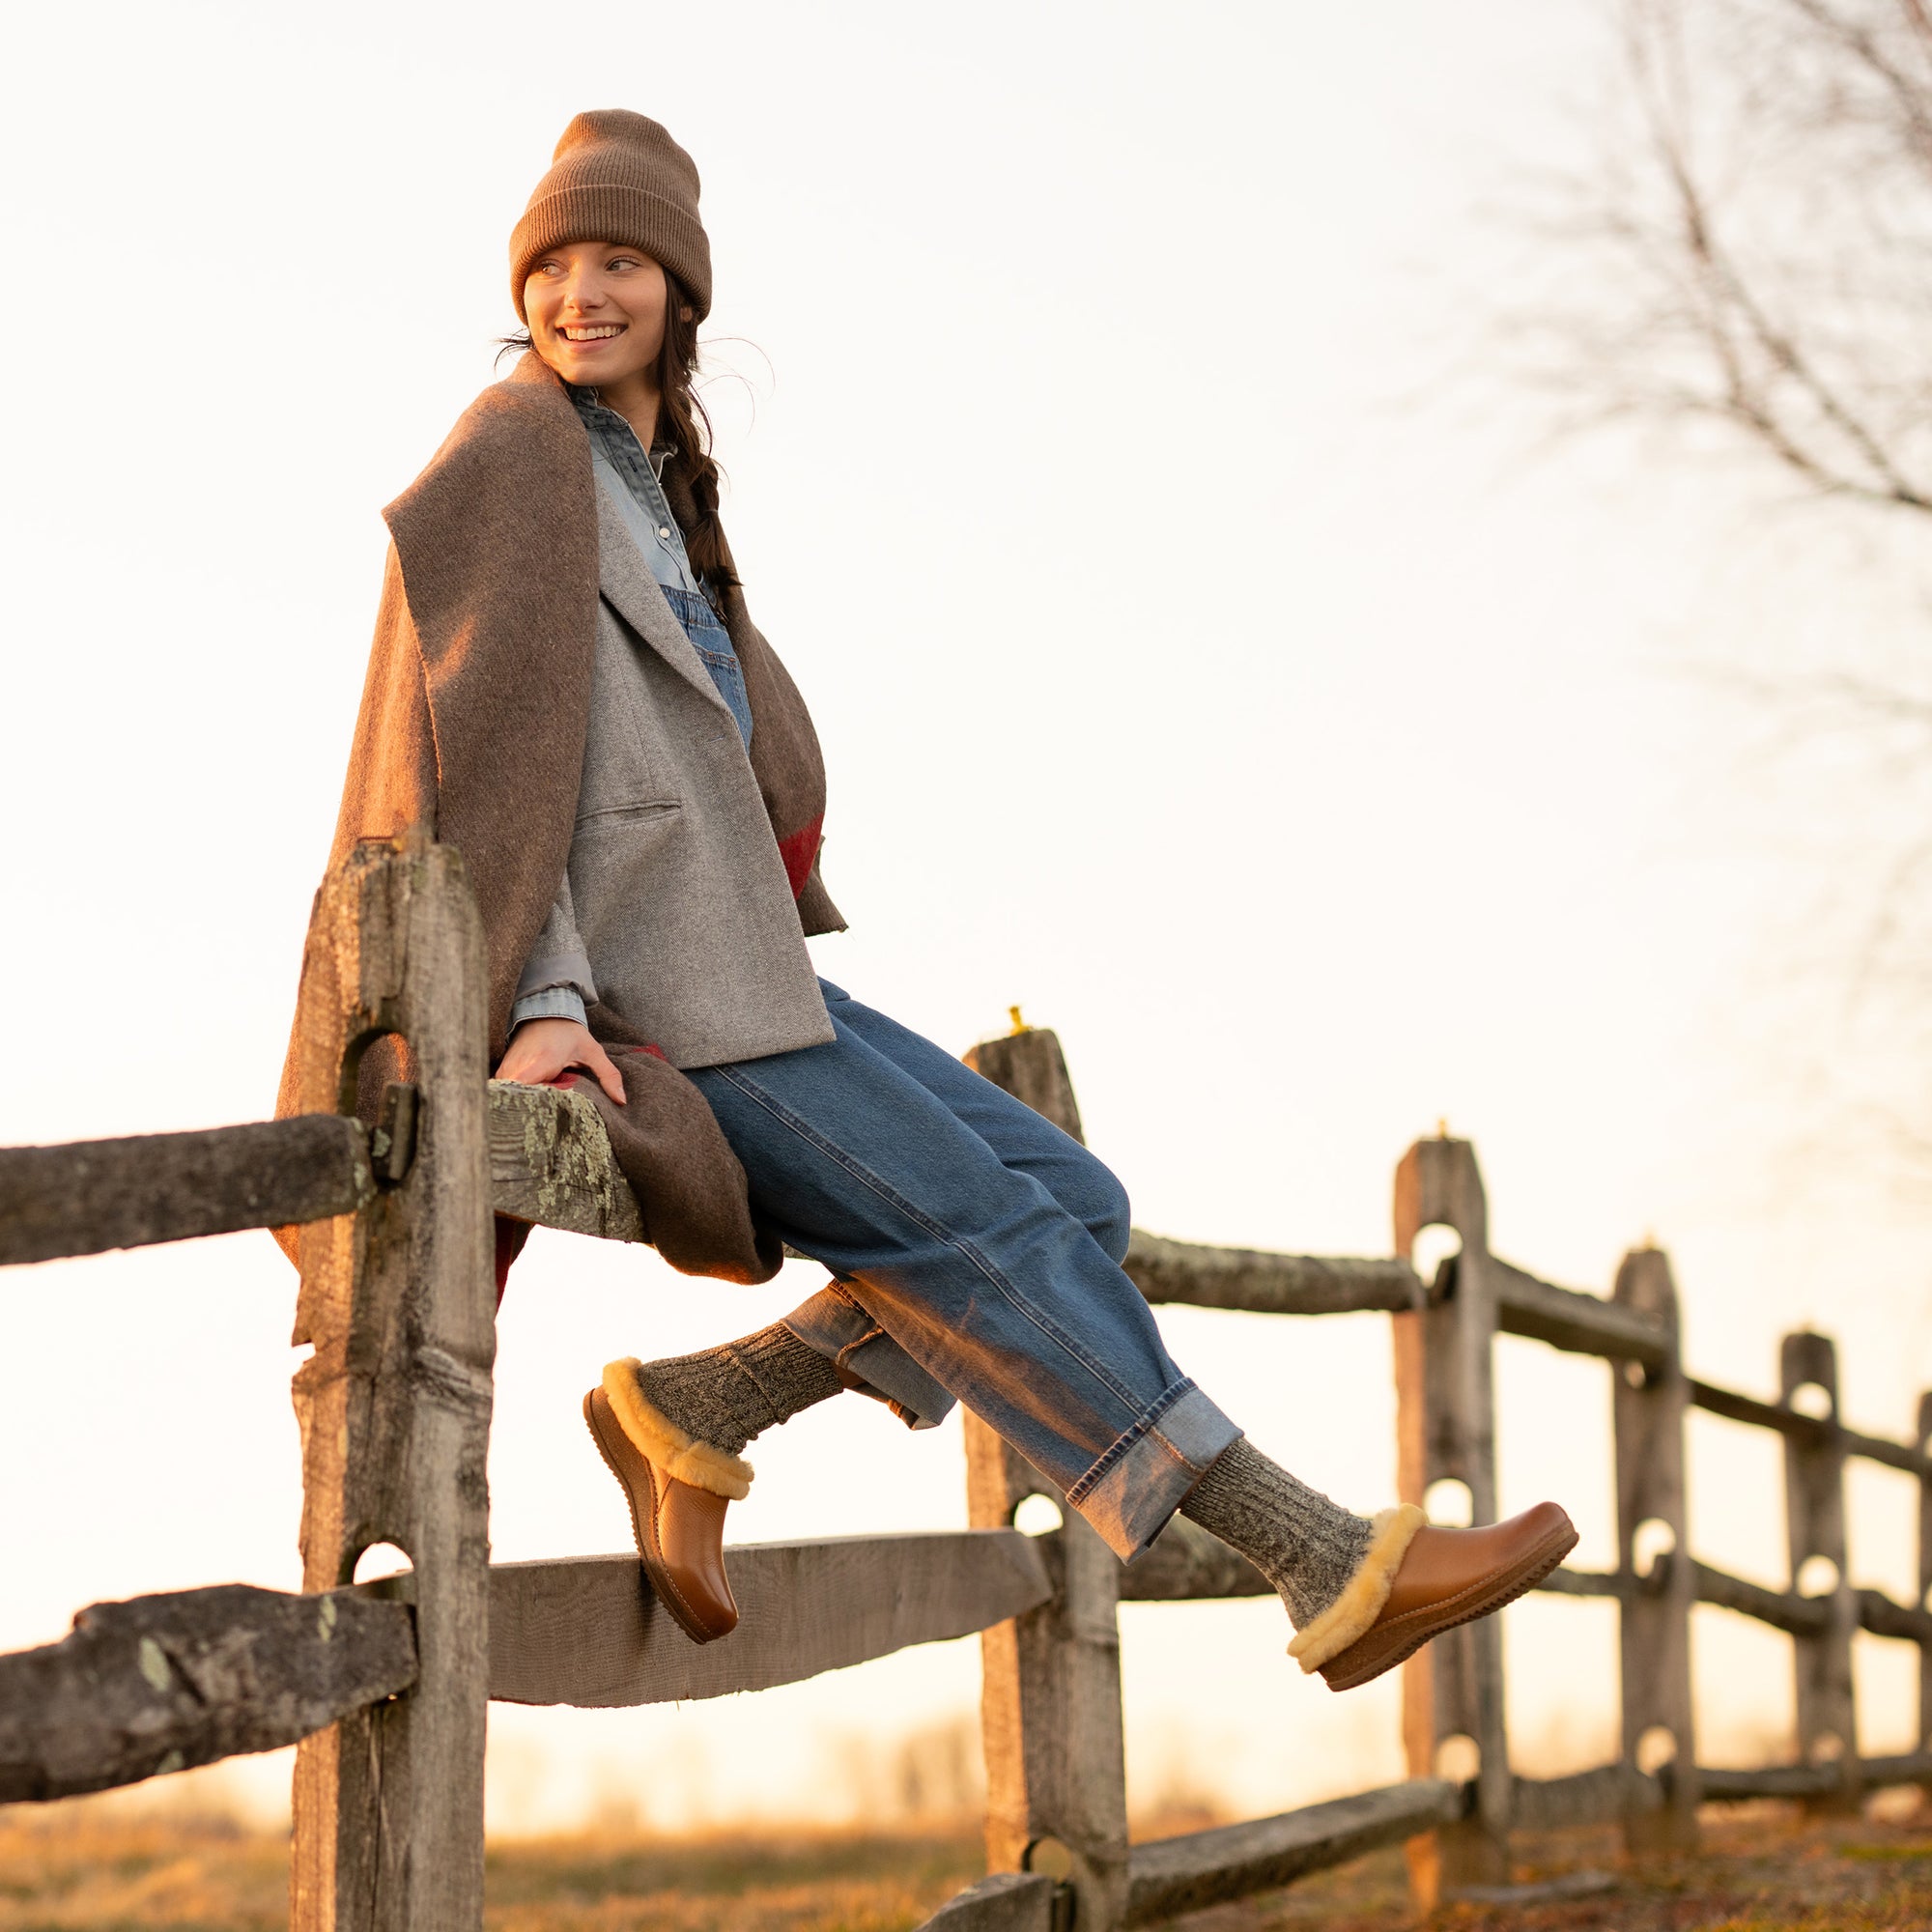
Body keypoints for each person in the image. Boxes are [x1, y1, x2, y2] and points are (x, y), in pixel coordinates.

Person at [288, 109, 1576, 1690]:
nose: (582, 295)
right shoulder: (517, 451)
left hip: (741, 963)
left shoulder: (651, 482)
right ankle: (1323, 1560)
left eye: (619, 261)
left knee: (1075, 1204)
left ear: (679, 291)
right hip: (651, 985)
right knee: (976, 1233)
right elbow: (482, 755)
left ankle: (695, 1416)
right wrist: (544, 1006)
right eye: (554, 267)